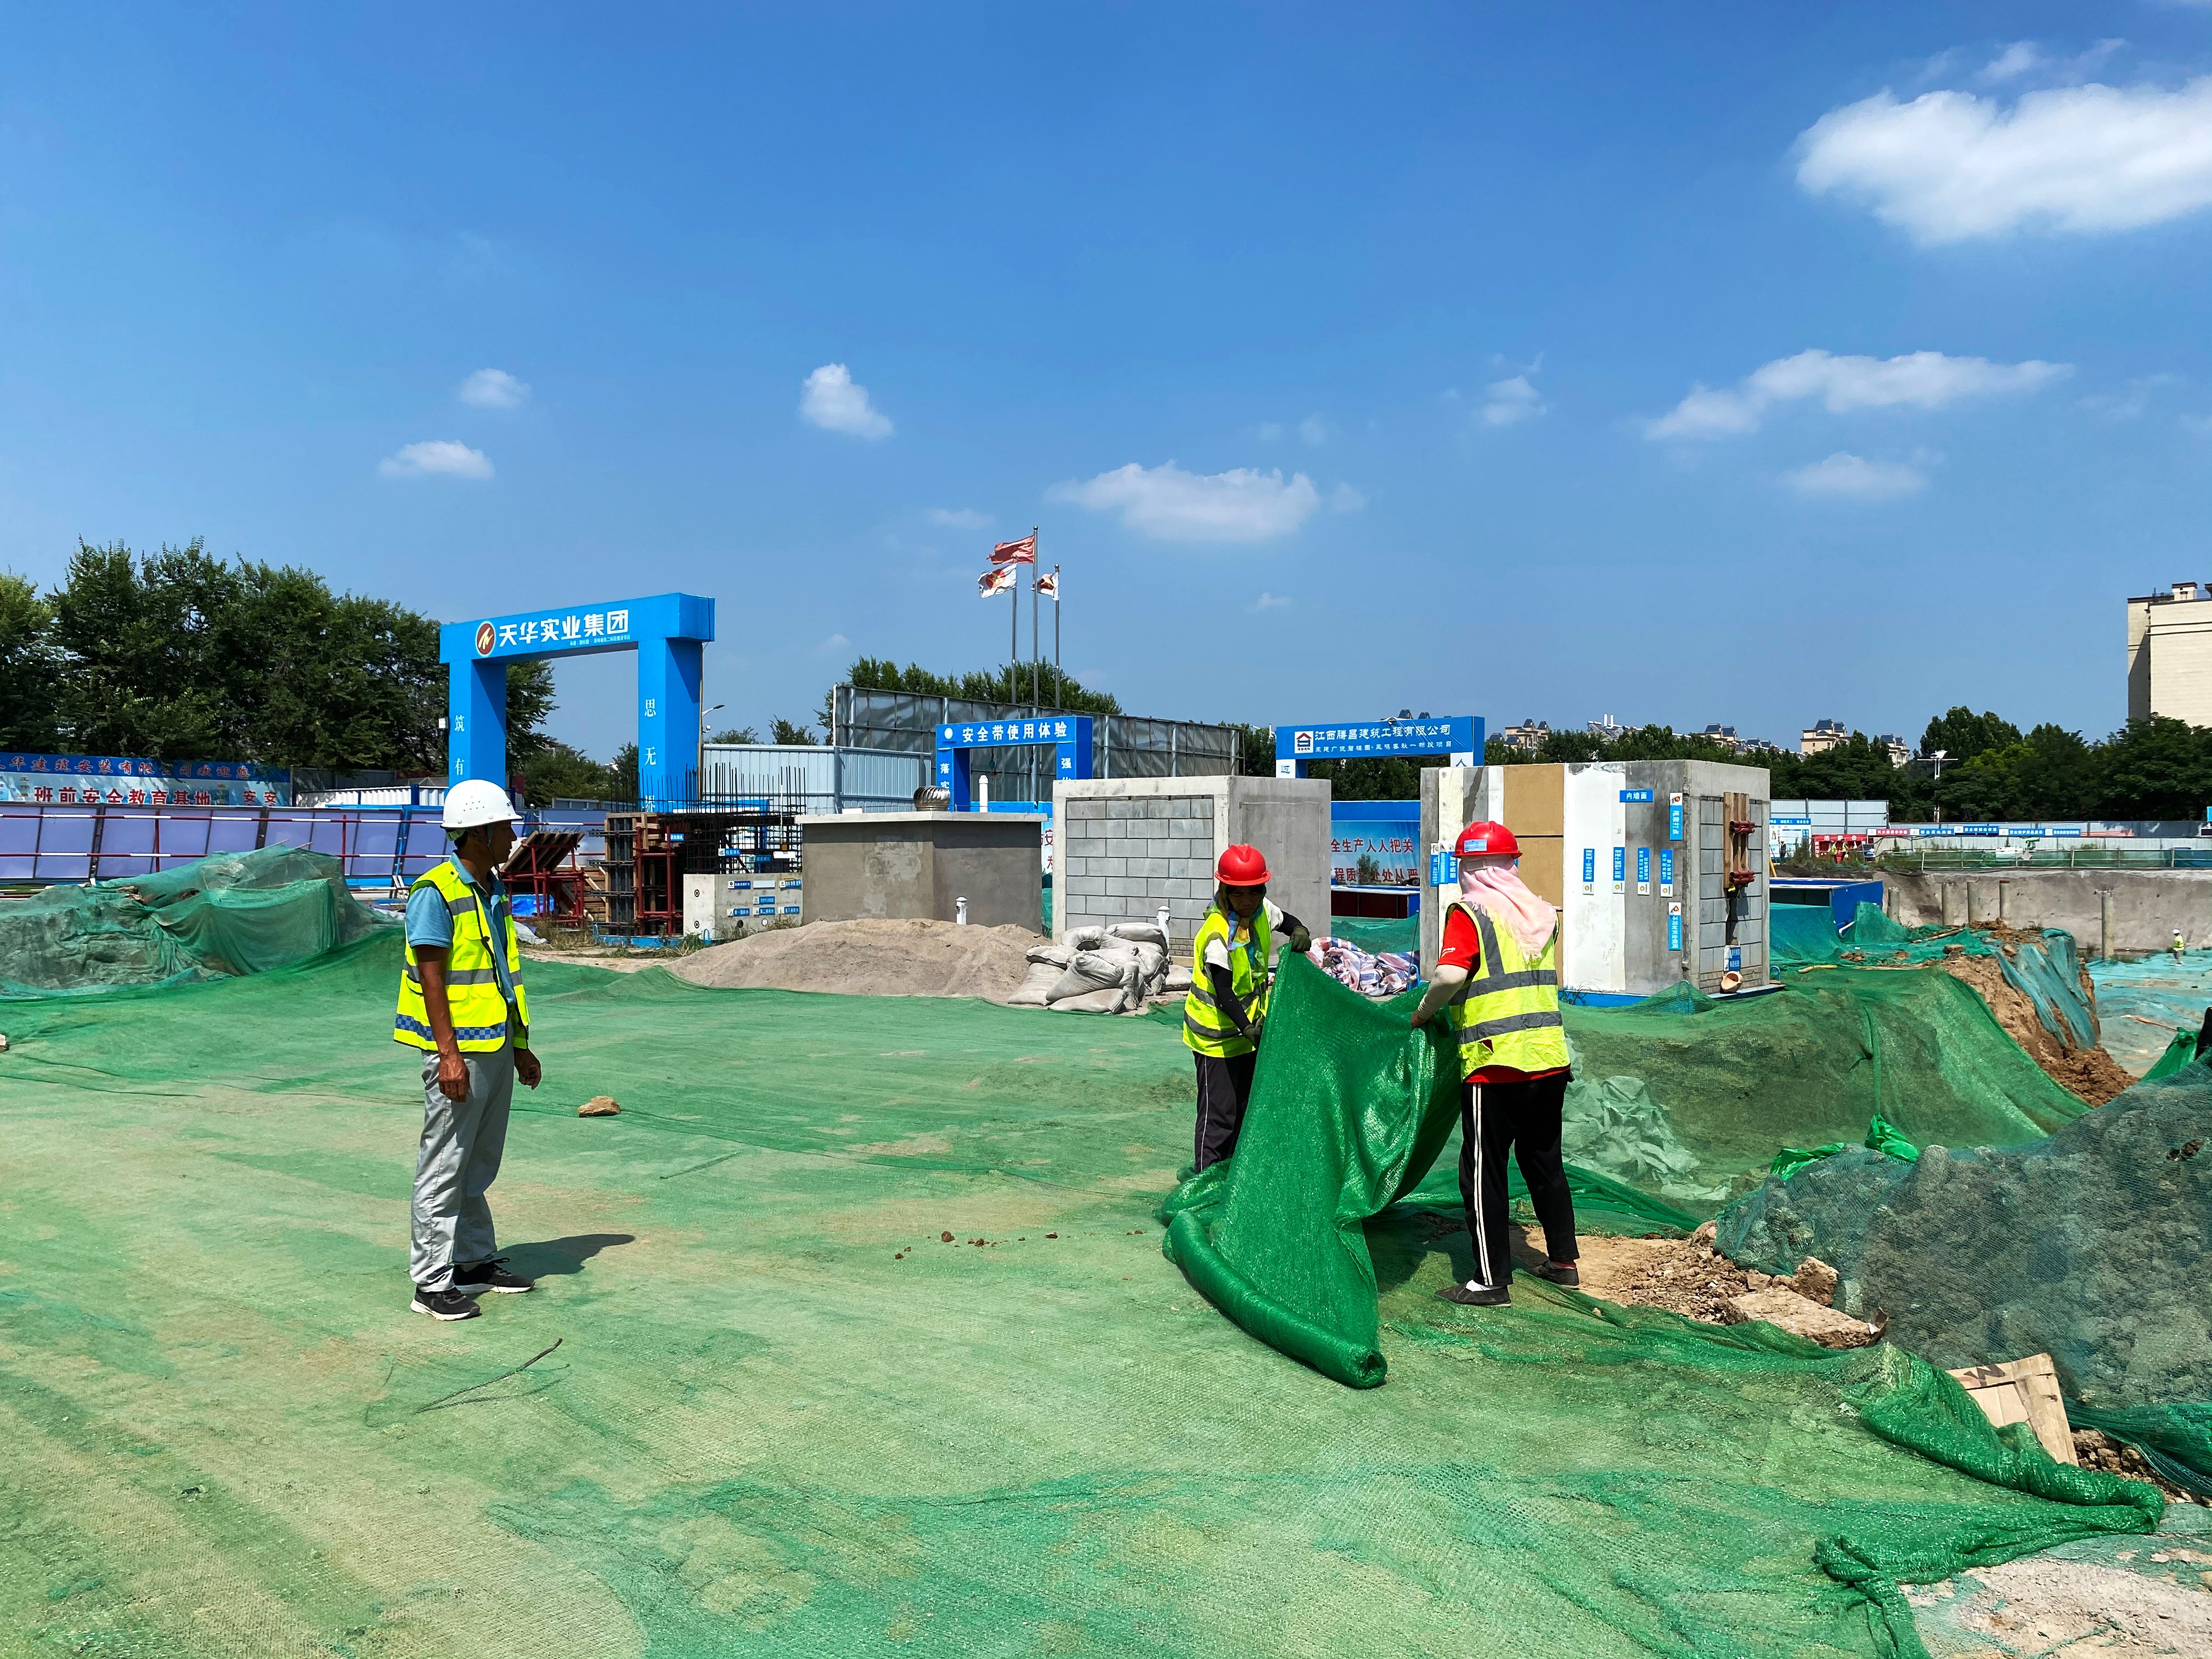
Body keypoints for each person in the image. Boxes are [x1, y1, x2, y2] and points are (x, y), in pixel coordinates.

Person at [1409, 821, 1576, 1308]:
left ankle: (1490, 1280)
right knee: (1544, 1162)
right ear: (1511, 864)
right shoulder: (1542, 913)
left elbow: (1449, 976)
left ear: (1470, 868)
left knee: (1483, 1171)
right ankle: (1563, 1262)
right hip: (1548, 1059)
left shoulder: (1471, 912)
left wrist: (1424, 1013)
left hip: (1494, 1064)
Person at [394, 779, 542, 1321]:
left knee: (477, 1161)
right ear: (479, 833)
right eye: (505, 828)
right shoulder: (435, 893)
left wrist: (520, 1047)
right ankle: (431, 1284)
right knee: (444, 1164)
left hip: (496, 1045)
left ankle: (473, 1261)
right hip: (460, 1053)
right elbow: (432, 978)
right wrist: (449, 1056)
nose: (512, 837)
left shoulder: (492, 888)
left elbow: (502, 974)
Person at [1180, 844, 1311, 1172]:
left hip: (1249, 1033)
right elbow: (1224, 991)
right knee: (1219, 1115)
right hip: (1216, 1037)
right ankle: (1205, 1179)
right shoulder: (1217, 934)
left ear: (1263, 889)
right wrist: (1248, 1028)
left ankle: (1234, 1175)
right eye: (1238, 893)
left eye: (1254, 891)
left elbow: (1286, 920)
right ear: (1225, 890)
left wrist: (1299, 929)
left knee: (1244, 1109)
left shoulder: (1261, 911)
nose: (1247, 900)